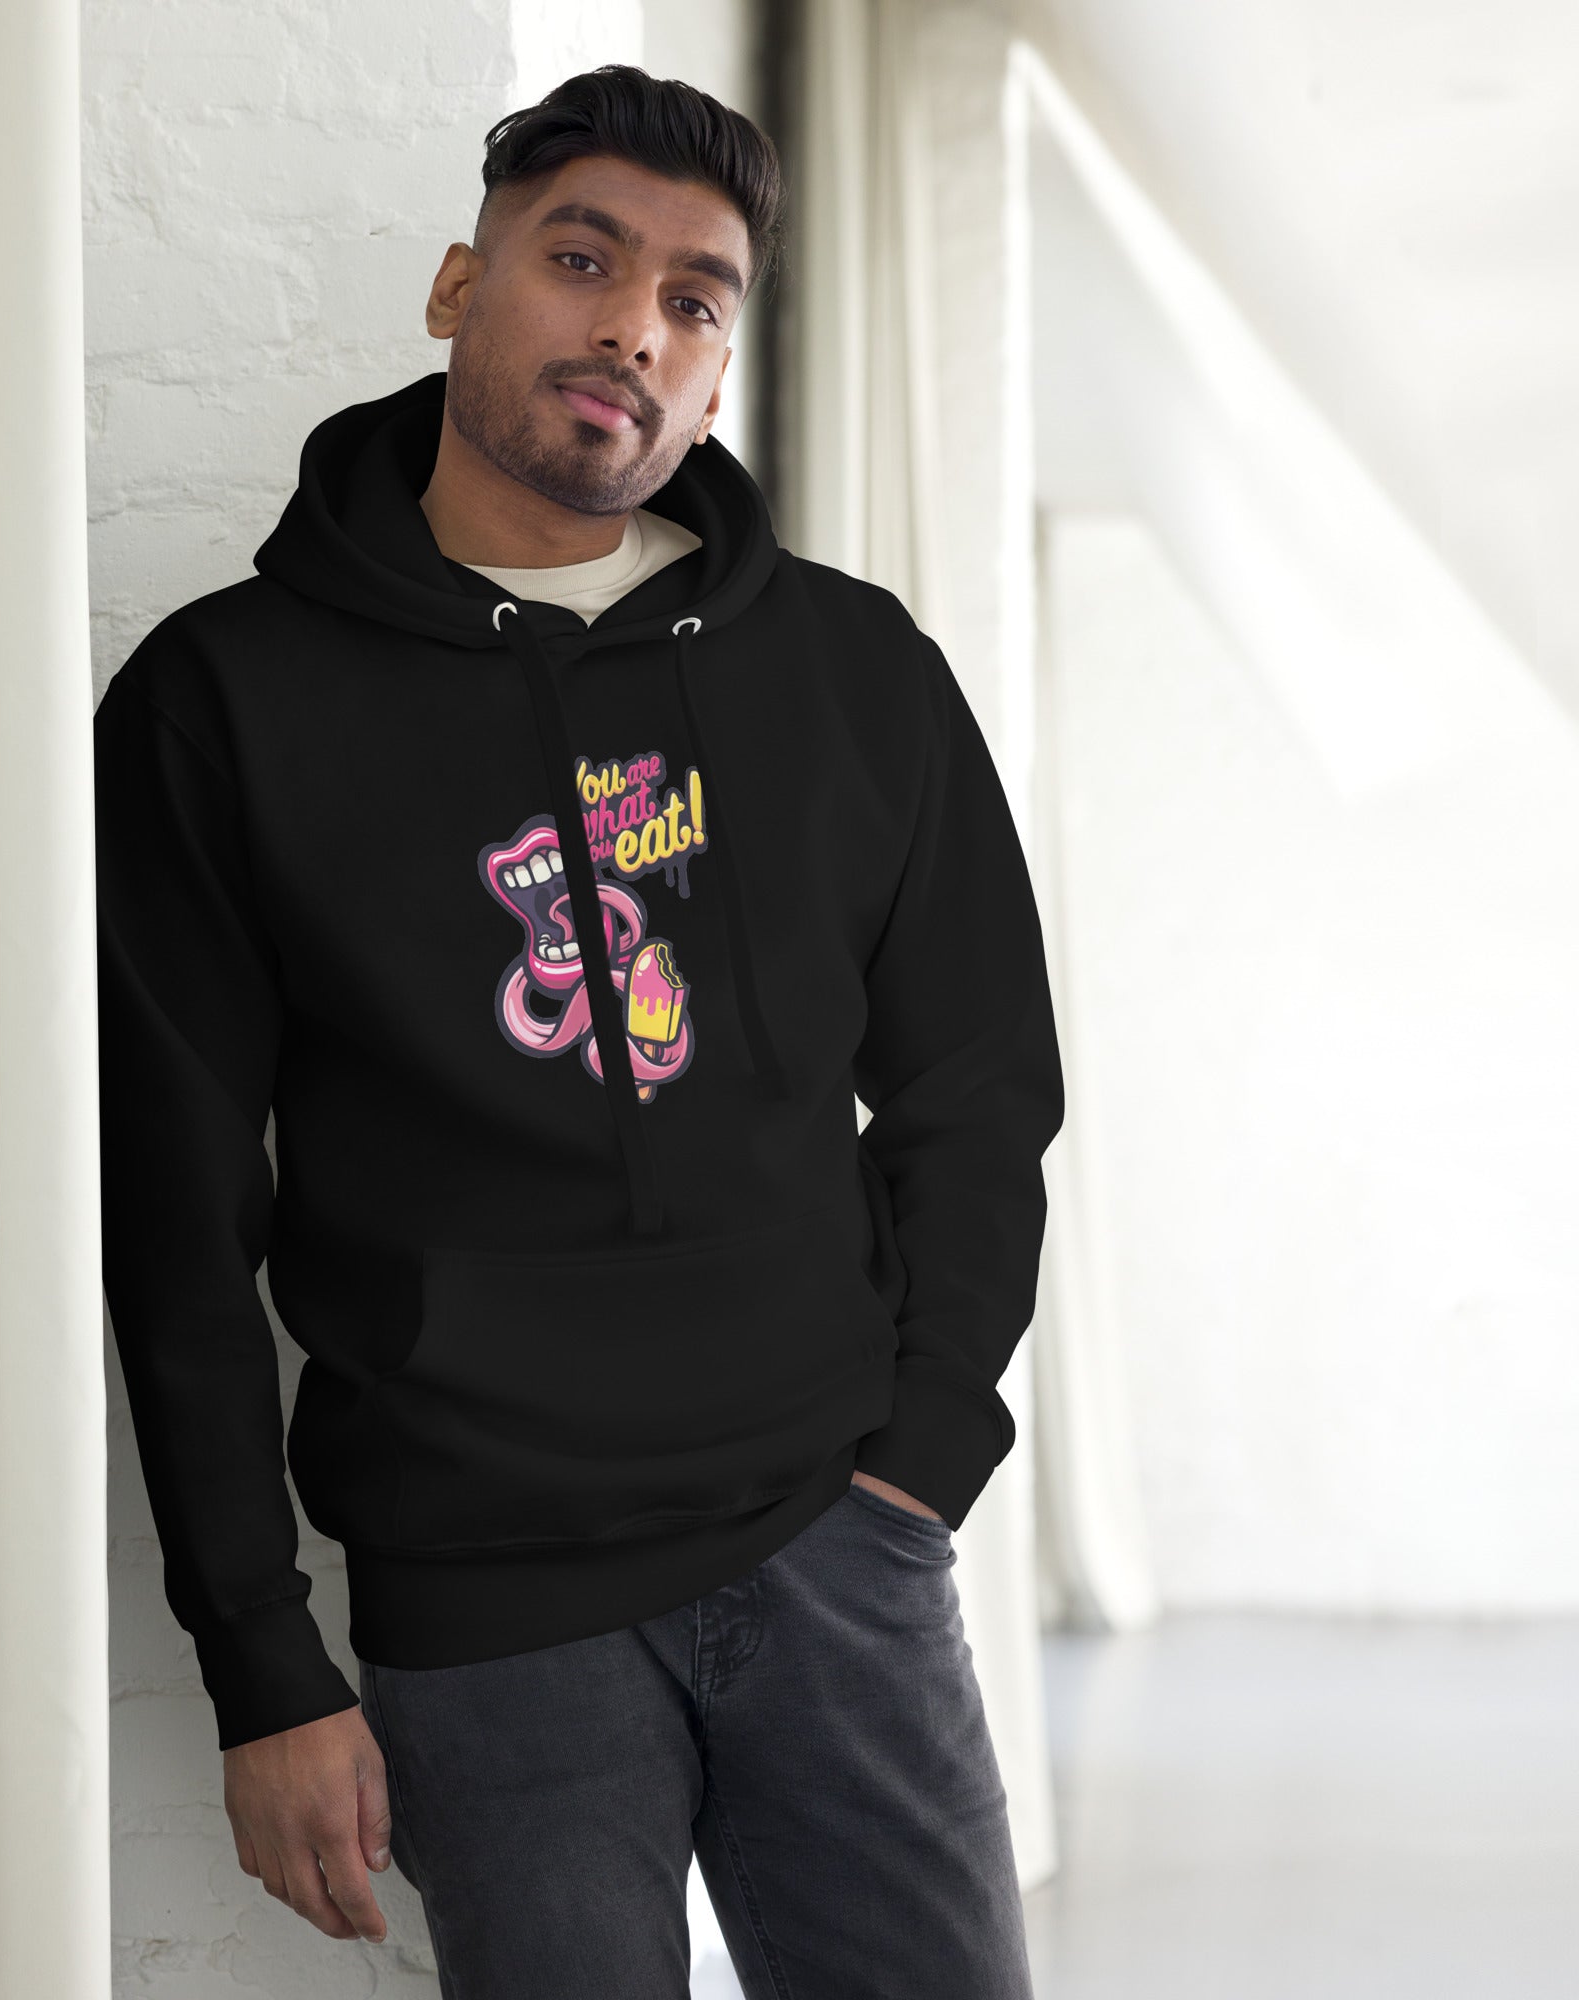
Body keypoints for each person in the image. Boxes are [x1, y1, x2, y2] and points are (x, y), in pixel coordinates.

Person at [93, 63, 1063, 1999]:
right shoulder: (226, 705)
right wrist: (262, 1662)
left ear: (717, 379)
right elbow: (172, 1213)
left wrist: (922, 1458)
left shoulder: (854, 672)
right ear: (460, 285)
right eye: (581, 258)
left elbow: (977, 1086)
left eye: (694, 299)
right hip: (486, 1611)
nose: (633, 325)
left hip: (836, 1543)